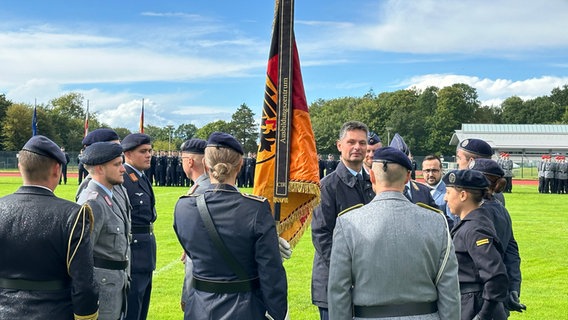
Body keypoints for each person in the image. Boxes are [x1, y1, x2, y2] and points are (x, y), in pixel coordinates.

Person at [328, 146, 460, 320]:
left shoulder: (348, 222)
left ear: (372, 177)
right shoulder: (436, 221)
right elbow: (449, 289)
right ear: (407, 177)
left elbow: (338, 290)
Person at [173, 132, 288, 319]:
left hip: (199, 308)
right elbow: (270, 270)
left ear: (205, 165)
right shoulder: (256, 208)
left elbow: (191, 252)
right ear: (240, 164)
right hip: (245, 308)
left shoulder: (184, 206)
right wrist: (277, 312)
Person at [0, 135, 99, 320]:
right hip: (55, 312)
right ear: (56, 169)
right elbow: (84, 283)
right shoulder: (74, 214)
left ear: (20, 167)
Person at [311, 121, 376, 320]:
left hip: (369, 284)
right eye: (351, 142)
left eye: (362, 143)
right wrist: (350, 273)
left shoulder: (374, 183)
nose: (357, 147)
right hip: (336, 283)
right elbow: (322, 236)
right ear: (340, 145)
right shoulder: (326, 187)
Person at [444, 170, 509, 320]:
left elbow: (496, 276)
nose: (445, 198)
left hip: (474, 305)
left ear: (463, 195)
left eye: (448, 192)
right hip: (469, 302)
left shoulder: (475, 229)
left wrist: (483, 315)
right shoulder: (471, 223)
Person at [77, 142, 131, 320]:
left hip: (116, 285)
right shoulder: (92, 202)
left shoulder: (110, 195)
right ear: (100, 169)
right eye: (117, 164)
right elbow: (81, 258)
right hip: (102, 290)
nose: (123, 169)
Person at [468, 159, 526, 315]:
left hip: (477, 300)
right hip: (497, 298)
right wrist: (513, 287)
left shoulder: (479, 212)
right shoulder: (500, 208)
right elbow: (511, 252)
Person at [122, 133, 157, 320]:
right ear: (127, 154)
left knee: (141, 309)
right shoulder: (124, 179)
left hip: (145, 252)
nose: (148, 154)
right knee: (133, 310)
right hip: (133, 254)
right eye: (143, 151)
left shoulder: (140, 177)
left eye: (150, 151)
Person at [176, 138, 211, 314]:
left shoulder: (200, 192)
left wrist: (187, 295)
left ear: (190, 161)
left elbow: (196, 255)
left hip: (203, 287)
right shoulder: (209, 186)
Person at [390, 133, 438, 209]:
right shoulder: (381, 192)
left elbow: (439, 217)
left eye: (407, 163)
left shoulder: (424, 191)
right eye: (398, 164)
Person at [455, 138, 506, 206]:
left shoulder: (472, 194)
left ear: (471, 161)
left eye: (459, 158)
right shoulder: (495, 190)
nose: (457, 162)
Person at [422, 154, 455, 229]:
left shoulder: (449, 192)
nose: (430, 174)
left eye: (434, 170)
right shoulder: (418, 190)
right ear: (422, 171)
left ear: (441, 170)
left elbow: (451, 224)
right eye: (427, 171)